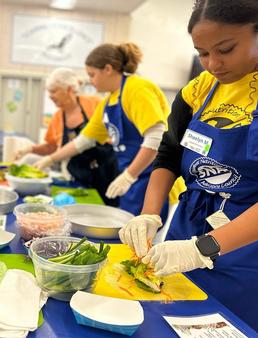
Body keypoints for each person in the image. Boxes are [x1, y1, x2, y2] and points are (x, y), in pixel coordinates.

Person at [119, 0, 258, 330]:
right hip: (189, 229)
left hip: (246, 248)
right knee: (172, 320)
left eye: (225, 49)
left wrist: (205, 248)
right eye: (202, 52)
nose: (213, 64)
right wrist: (150, 214)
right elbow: (167, 155)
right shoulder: (199, 90)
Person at [35, 43, 183, 218]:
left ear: (108, 69)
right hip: (134, 182)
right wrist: (49, 159)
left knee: (148, 239)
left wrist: (128, 175)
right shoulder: (107, 103)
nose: (90, 80)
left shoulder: (137, 89)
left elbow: (156, 138)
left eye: (92, 74)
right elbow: (82, 141)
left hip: (156, 181)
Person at [15, 68, 119, 206]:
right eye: (48, 92)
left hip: (106, 172)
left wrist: (50, 160)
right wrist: (30, 149)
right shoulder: (57, 118)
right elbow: (52, 147)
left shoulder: (95, 104)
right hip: (78, 179)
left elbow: (109, 133)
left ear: (69, 89)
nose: (50, 96)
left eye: (53, 91)